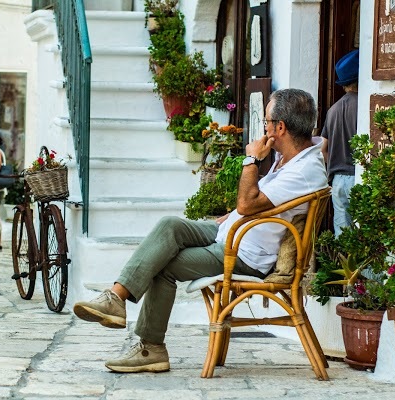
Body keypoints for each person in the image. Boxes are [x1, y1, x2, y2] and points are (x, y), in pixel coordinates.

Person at [73, 88, 328, 373]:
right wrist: (231, 216)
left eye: (266, 122)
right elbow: (317, 148)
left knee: (162, 264)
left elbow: (247, 204)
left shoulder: (302, 171)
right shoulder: (299, 155)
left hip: (243, 253)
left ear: (280, 128)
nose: (264, 128)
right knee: (170, 226)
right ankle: (115, 299)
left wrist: (251, 159)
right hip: (230, 233)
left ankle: (150, 347)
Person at [320, 49, 359, 237]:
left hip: (337, 180)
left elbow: (323, 149)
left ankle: (344, 267)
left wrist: (336, 161)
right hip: (358, 177)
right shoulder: (366, 106)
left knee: (343, 237)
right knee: (363, 237)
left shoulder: (333, 110)